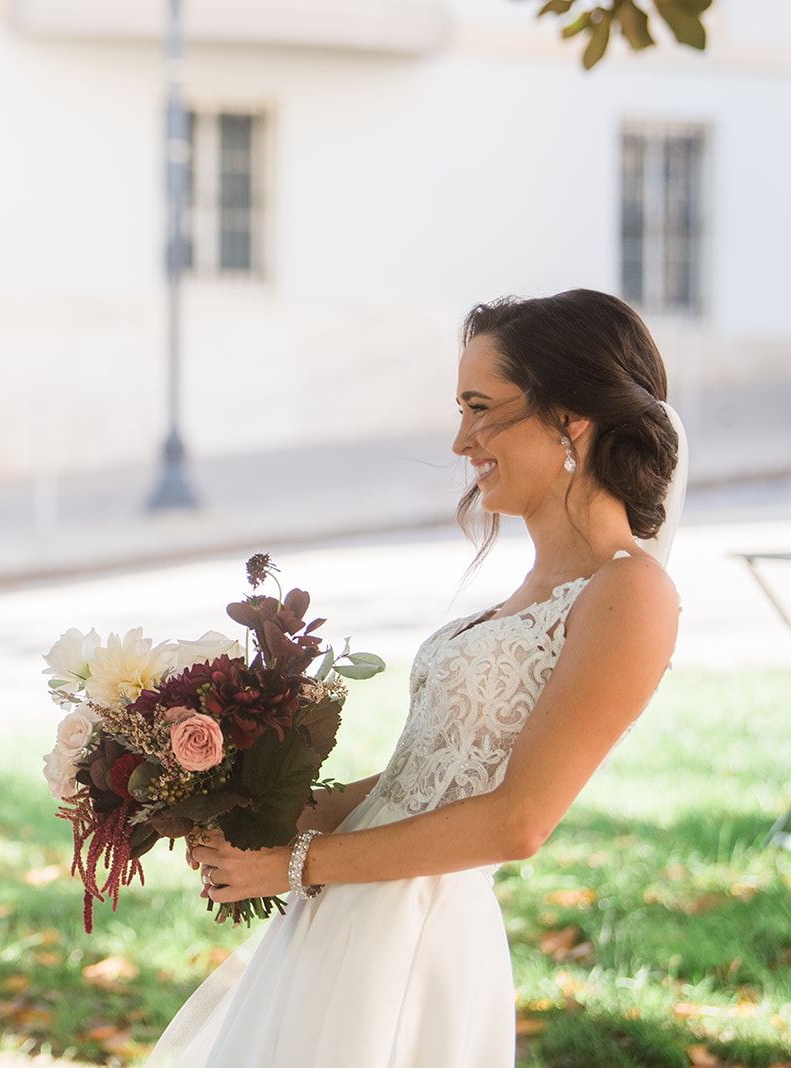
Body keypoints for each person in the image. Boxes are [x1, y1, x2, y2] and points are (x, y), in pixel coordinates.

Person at [148, 289, 686, 1068]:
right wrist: (253, 809)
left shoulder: (630, 592)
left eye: (481, 408)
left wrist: (291, 865)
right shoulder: (528, 591)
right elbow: (421, 777)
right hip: (345, 912)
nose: (463, 440)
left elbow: (518, 821)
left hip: (419, 931)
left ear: (571, 417)